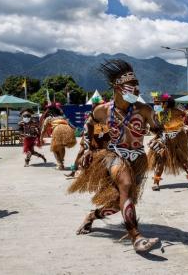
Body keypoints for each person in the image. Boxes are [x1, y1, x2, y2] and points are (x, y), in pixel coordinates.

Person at [68, 59, 164, 252]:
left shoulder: (144, 110)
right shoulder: (102, 111)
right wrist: (88, 148)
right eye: (132, 86)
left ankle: (91, 216)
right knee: (126, 186)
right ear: (118, 88)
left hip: (138, 158)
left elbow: (158, 130)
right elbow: (91, 129)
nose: (137, 90)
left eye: (138, 86)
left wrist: (160, 140)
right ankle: (136, 238)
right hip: (114, 154)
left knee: (122, 201)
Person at [148, 94, 188, 191]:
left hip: (177, 139)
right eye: (156, 103)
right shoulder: (157, 112)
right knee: (160, 160)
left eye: (159, 103)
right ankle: (156, 182)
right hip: (164, 138)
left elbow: (187, 115)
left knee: (183, 160)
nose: (157, 105)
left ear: (166, 103)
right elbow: (155, 126)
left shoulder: (177, 111)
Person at [66, 96, 109, 177]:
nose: (99, 106)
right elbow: (87, 127)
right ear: (93, 104)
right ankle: (74, 170)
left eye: (100, 104)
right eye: (97, 104)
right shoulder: (91, 114)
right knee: (81, 151)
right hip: (90, 136)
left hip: (101, 136)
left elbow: (105, 126)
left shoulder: (104, 114)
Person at [40, 103, 76, 170]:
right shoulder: (62, 117)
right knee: (62, 147)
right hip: (67, 129)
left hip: (57, 130)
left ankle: (60, 164)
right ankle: (61, 162)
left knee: (54, 148)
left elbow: (43, 130)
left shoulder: (49, 118)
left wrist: (41, 138)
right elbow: (70, 125)